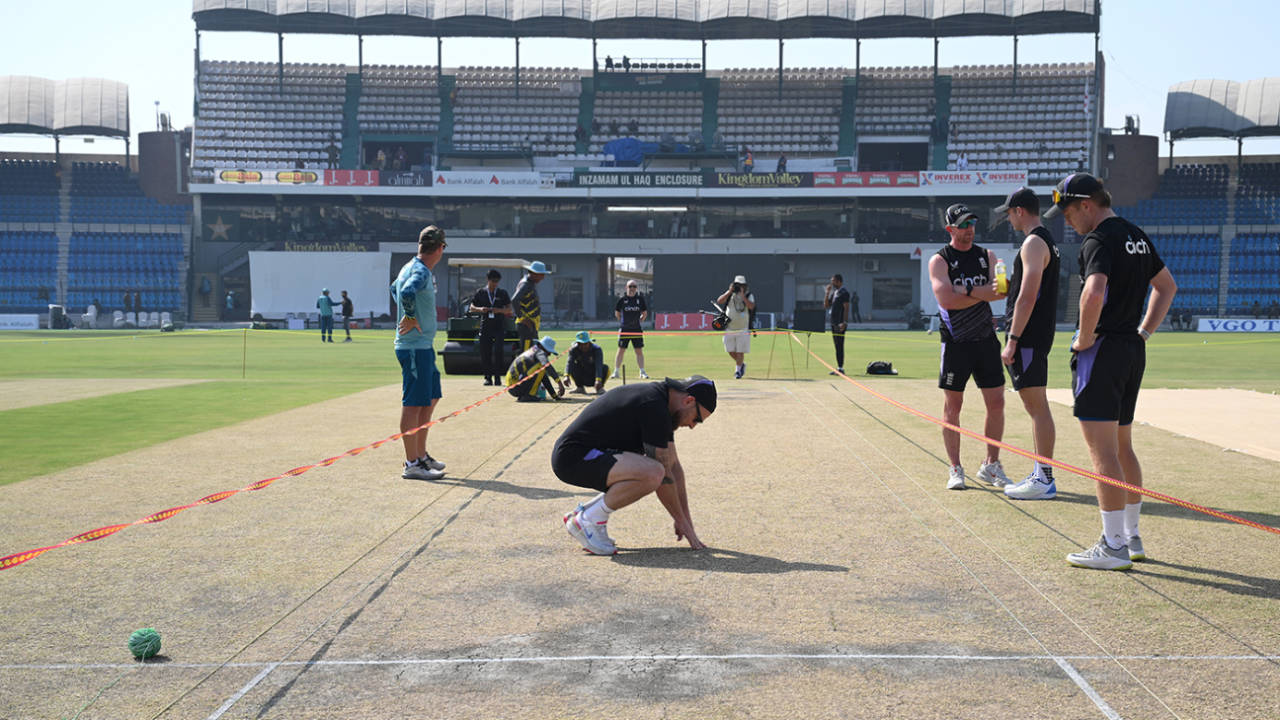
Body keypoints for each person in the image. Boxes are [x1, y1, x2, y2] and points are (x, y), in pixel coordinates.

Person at [1045, 173, 1177, 570]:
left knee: (1102, 452)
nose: (1068, 222)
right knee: (1122, 447)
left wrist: (1084, 338)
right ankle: (1131, 535)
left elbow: (1094, 291)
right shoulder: (1136, 234)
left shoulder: (1099, 238)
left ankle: (1113, 545)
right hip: (1131, 349)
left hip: (1102, 350)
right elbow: (1167, 287)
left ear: (1087, 205)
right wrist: (1145, 332)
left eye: (1068, 213)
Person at [553, 375, 716, 555]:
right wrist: (680, 521)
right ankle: (588, 520)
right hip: (573, 458)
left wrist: (686, 522)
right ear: (688, 400)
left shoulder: (662, 402)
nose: (693, 426)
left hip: (584, 456)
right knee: (653, 473)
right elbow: (664, 477)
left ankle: (585, 514)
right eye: (697, 419)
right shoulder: (654, 405)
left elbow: (674, 466)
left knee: (657, 470)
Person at [929, 203, 1009, 491]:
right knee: (953, 406)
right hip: (956, 343)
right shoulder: (939, 260)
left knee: (997, 402)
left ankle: (991, 464)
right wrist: (981, 294)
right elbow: (947, 300)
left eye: (972, 224)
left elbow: (1002, 290)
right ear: (950, 229)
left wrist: (967, 290)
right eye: (963, 225)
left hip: (986, 340)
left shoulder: (988, 256)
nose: (969, 230)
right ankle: (955, 468)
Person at [996, 188, 1061, 501]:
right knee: (1036, 407)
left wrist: (1012, 340)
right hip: (1034, 336)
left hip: (1029, 338)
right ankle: (1041, 473)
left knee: (1037, 408)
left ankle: (1044, 477)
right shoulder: (1043, 241)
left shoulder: (1034, 242)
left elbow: (1028, 294)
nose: (1008, 219)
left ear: (1020, 211)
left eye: (1009, 213)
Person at [392, 225, 449, 481]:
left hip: (423, 346)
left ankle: (421, 455)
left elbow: (394, 288)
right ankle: (412, 463)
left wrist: (408, 314)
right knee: (413, 404)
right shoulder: (420, 272)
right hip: (414, 347)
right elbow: (404, 292)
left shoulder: (409, 266)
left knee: (431, 397)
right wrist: (411, 316)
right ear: (440, 249)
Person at [468, 269, 512, 386]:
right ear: (488, 280)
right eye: (493, 281)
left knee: (498, 351)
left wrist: (499, 310)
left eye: (497, 281)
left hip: (499, 325)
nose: (495, 283)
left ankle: (498, 377)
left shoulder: (502, 293)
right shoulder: (481, 292)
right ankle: (488, 377)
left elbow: (509, 309)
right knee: (485, 352)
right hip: (486, 325)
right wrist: (480, 309)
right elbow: (471, 307)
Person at [717, 275, 755, 379]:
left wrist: (743, 296)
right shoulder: (730, 294)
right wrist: (729, 291)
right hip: (729, 327)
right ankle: (742, 364)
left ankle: (738, 371)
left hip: (743, 328)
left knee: (740, 351)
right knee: (729, 350)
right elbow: (719, 301)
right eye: (737, 285)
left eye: (741, 285)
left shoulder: (748, 295)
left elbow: (751, 306)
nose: (739, 287)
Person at [506, 335, 565, 402]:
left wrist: (555, 396)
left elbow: (544, 378)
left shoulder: (534, 351)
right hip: (516, 387)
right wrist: (559, 383)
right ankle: (527, 396)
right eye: (549, 351)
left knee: (541, 369)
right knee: (541, 366)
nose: (549, 354)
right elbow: (547, 365)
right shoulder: (539, 352)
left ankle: (526, 395)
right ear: (542, 347)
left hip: (513, 387)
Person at [612, 280, 649, 380]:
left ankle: (642, 371)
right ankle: (616, 371)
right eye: (630, 286)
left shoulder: (640, 299)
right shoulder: (622, 299)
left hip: (636, 329)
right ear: (626, 287)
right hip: (625, 330)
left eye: (634, 287)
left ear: (636, 288)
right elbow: (617, 313)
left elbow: (645, 313)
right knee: (621, 350)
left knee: (639, 351)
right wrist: (623, 322)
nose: (632, 289)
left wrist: (640, 320)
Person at [512, 260, 551, 352]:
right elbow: (514, 300)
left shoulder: (530, 283)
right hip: (526, 324)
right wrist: (523, 318)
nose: (543, 278)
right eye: (542, 274)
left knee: (533, 350)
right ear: (534, 273)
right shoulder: (525, 284)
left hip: (531, 324)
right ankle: (523, 366)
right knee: (526, 352)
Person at [823, 273, 850, 375]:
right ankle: (839, 367)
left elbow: (846, 308)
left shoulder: (844, 293)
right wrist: (827, 293)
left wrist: (845, 322)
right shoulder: (834, 293)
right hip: (833, 323)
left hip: (840, 323)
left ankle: (840, 368)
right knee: (836, 345)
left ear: (839, 281)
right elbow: (826, 305)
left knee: (840, 345)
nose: (832, 283)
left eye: (833, 281)